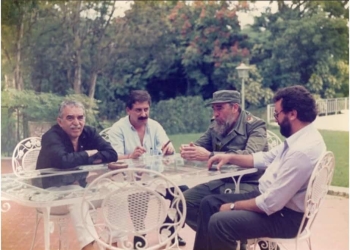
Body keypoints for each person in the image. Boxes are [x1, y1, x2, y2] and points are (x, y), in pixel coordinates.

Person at [193, 85, 326, 250]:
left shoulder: (302, 152)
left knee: (219, 222)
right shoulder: (303, 137)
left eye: (277, 113)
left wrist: (233, 206)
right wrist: (229, 157)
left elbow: (270, 204)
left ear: (292, 114)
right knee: (208, 203)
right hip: (273, 202)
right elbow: (265, 157)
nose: (275, 119)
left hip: (286, 218)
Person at [180, 90, 268, 235]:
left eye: (219, 108)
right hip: (220, 181)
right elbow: (200, 145)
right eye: (213, 108)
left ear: (235, 107)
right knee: (183, 202)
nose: (215, 113)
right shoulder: (217, 124)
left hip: (248, 183)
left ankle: (224, 238)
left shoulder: (255, 126)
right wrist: (189, 150)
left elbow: (251, 155)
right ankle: (221, 238)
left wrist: (211, 155)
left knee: (214, 206)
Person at [109, 90, 188, 247]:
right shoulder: (117, 129)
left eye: (146, 109)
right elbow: (112, 158)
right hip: (129, 180)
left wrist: (169, 150)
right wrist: (131, 156)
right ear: (128, 110)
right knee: (139, 195)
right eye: (138, 110)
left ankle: (170, 226)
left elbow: (168, 147)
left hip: (156, 178)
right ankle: (141, 233)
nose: (143, 114)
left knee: (184, 193)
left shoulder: (154, 126)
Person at [36, 100, 118, 250]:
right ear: (60, 121)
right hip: (50, 191)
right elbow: (63, 160)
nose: (76, 123)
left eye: (80, 117)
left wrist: (90, 157)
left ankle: (114, 242)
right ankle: (91, 246)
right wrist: (88, 153)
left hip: (80, 186)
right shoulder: (51, 136)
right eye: (70, 118)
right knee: (77, 196)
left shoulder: (89, 132)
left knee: (116, 191)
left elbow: (112, 154)